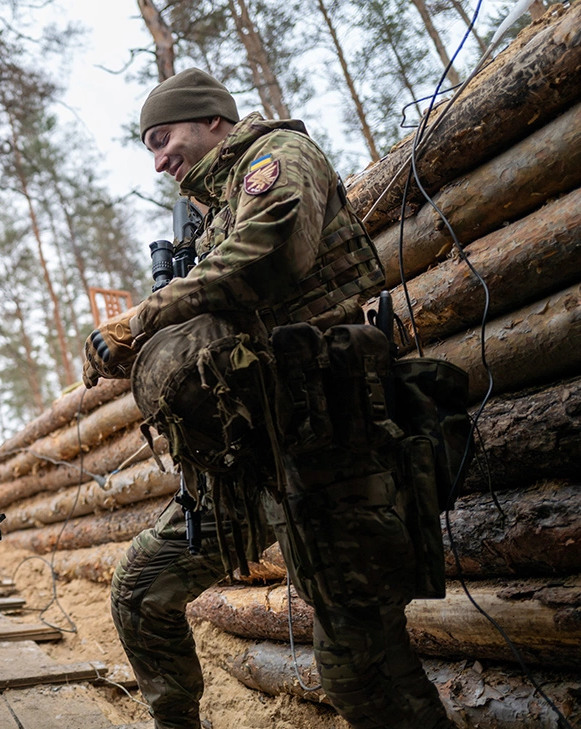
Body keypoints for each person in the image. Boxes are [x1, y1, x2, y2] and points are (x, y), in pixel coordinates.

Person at [82, 69, 457, 729]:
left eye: (165, 137)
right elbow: (214, 325)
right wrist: (137, 355)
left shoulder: (278, 159)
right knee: (141, 590)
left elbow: (268, 259)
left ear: (214, 122)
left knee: (362, 669)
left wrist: (142, 317)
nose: (159, 157)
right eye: (148, 145)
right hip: (248, 451)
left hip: (329, 443)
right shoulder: (213, 211)